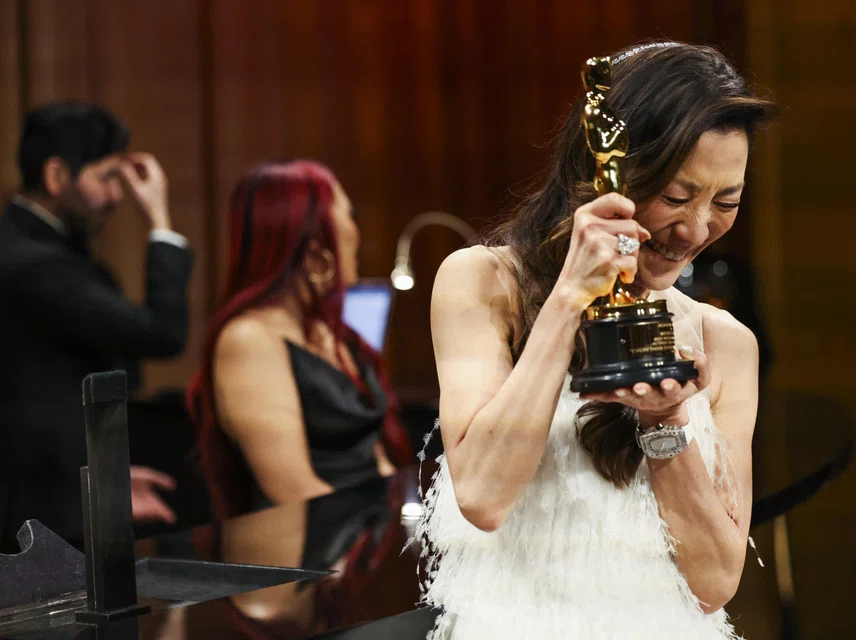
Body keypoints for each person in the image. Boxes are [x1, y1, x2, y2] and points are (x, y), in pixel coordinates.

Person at [416, 42, 777, 638]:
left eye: (727, 202)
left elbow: (715, 583)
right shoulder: (482, 283)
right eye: (676, 197)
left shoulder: (725, 340)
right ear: (605, 176)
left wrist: (666, 424)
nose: (695, 229)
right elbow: (480, 494)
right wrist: (567, 301)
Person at [0, 102, 193, 551]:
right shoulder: (34, 264)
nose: (118, 196)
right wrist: (160, 222)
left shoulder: (37, 249)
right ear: (55, 176)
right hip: (38, 521)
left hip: (55, 498)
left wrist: (107, 475)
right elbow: (162, 333)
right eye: (107, 176)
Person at [187, 160, 411, 521]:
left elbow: (374, 458)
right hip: (310, 555)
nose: (356, 229)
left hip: (363, 538)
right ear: (312, 242)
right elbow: (292, 489)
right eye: (347, 215)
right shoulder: (248, 339)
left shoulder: (330, 330)